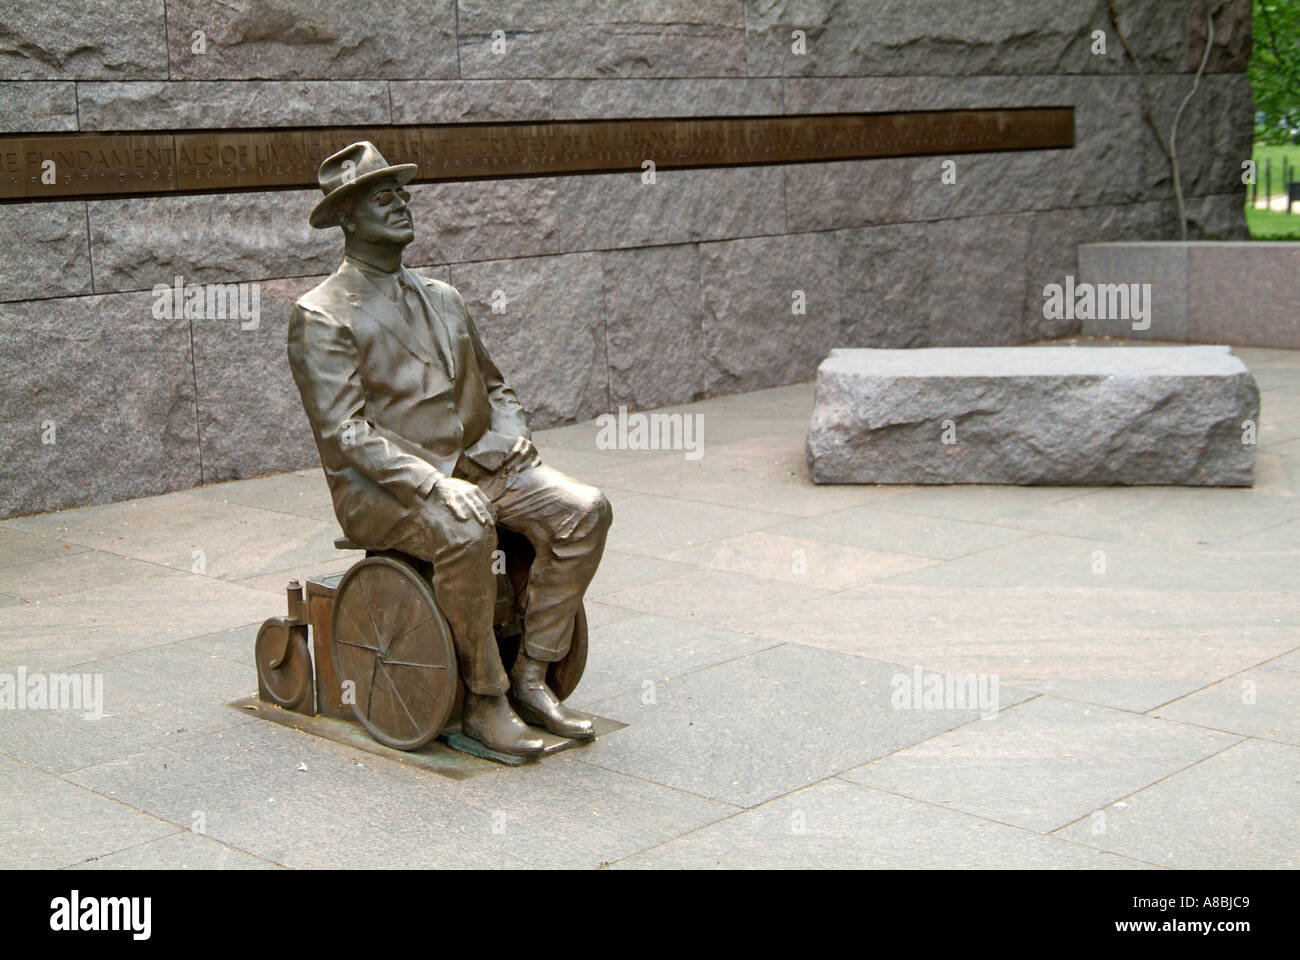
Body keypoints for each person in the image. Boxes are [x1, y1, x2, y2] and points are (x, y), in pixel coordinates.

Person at [288, 142, 611, 757]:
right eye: (383, 197)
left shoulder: (445, 297)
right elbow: (346, 433)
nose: (402, 204)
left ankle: (533, 677)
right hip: (386, 489)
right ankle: (485, 703)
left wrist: (515, 437)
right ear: (348, 217)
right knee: (465, 530)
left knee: (585, 509)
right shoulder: (322, 315)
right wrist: (436, 484)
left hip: (481, 463)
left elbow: (497, 386)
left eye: (403, 193)